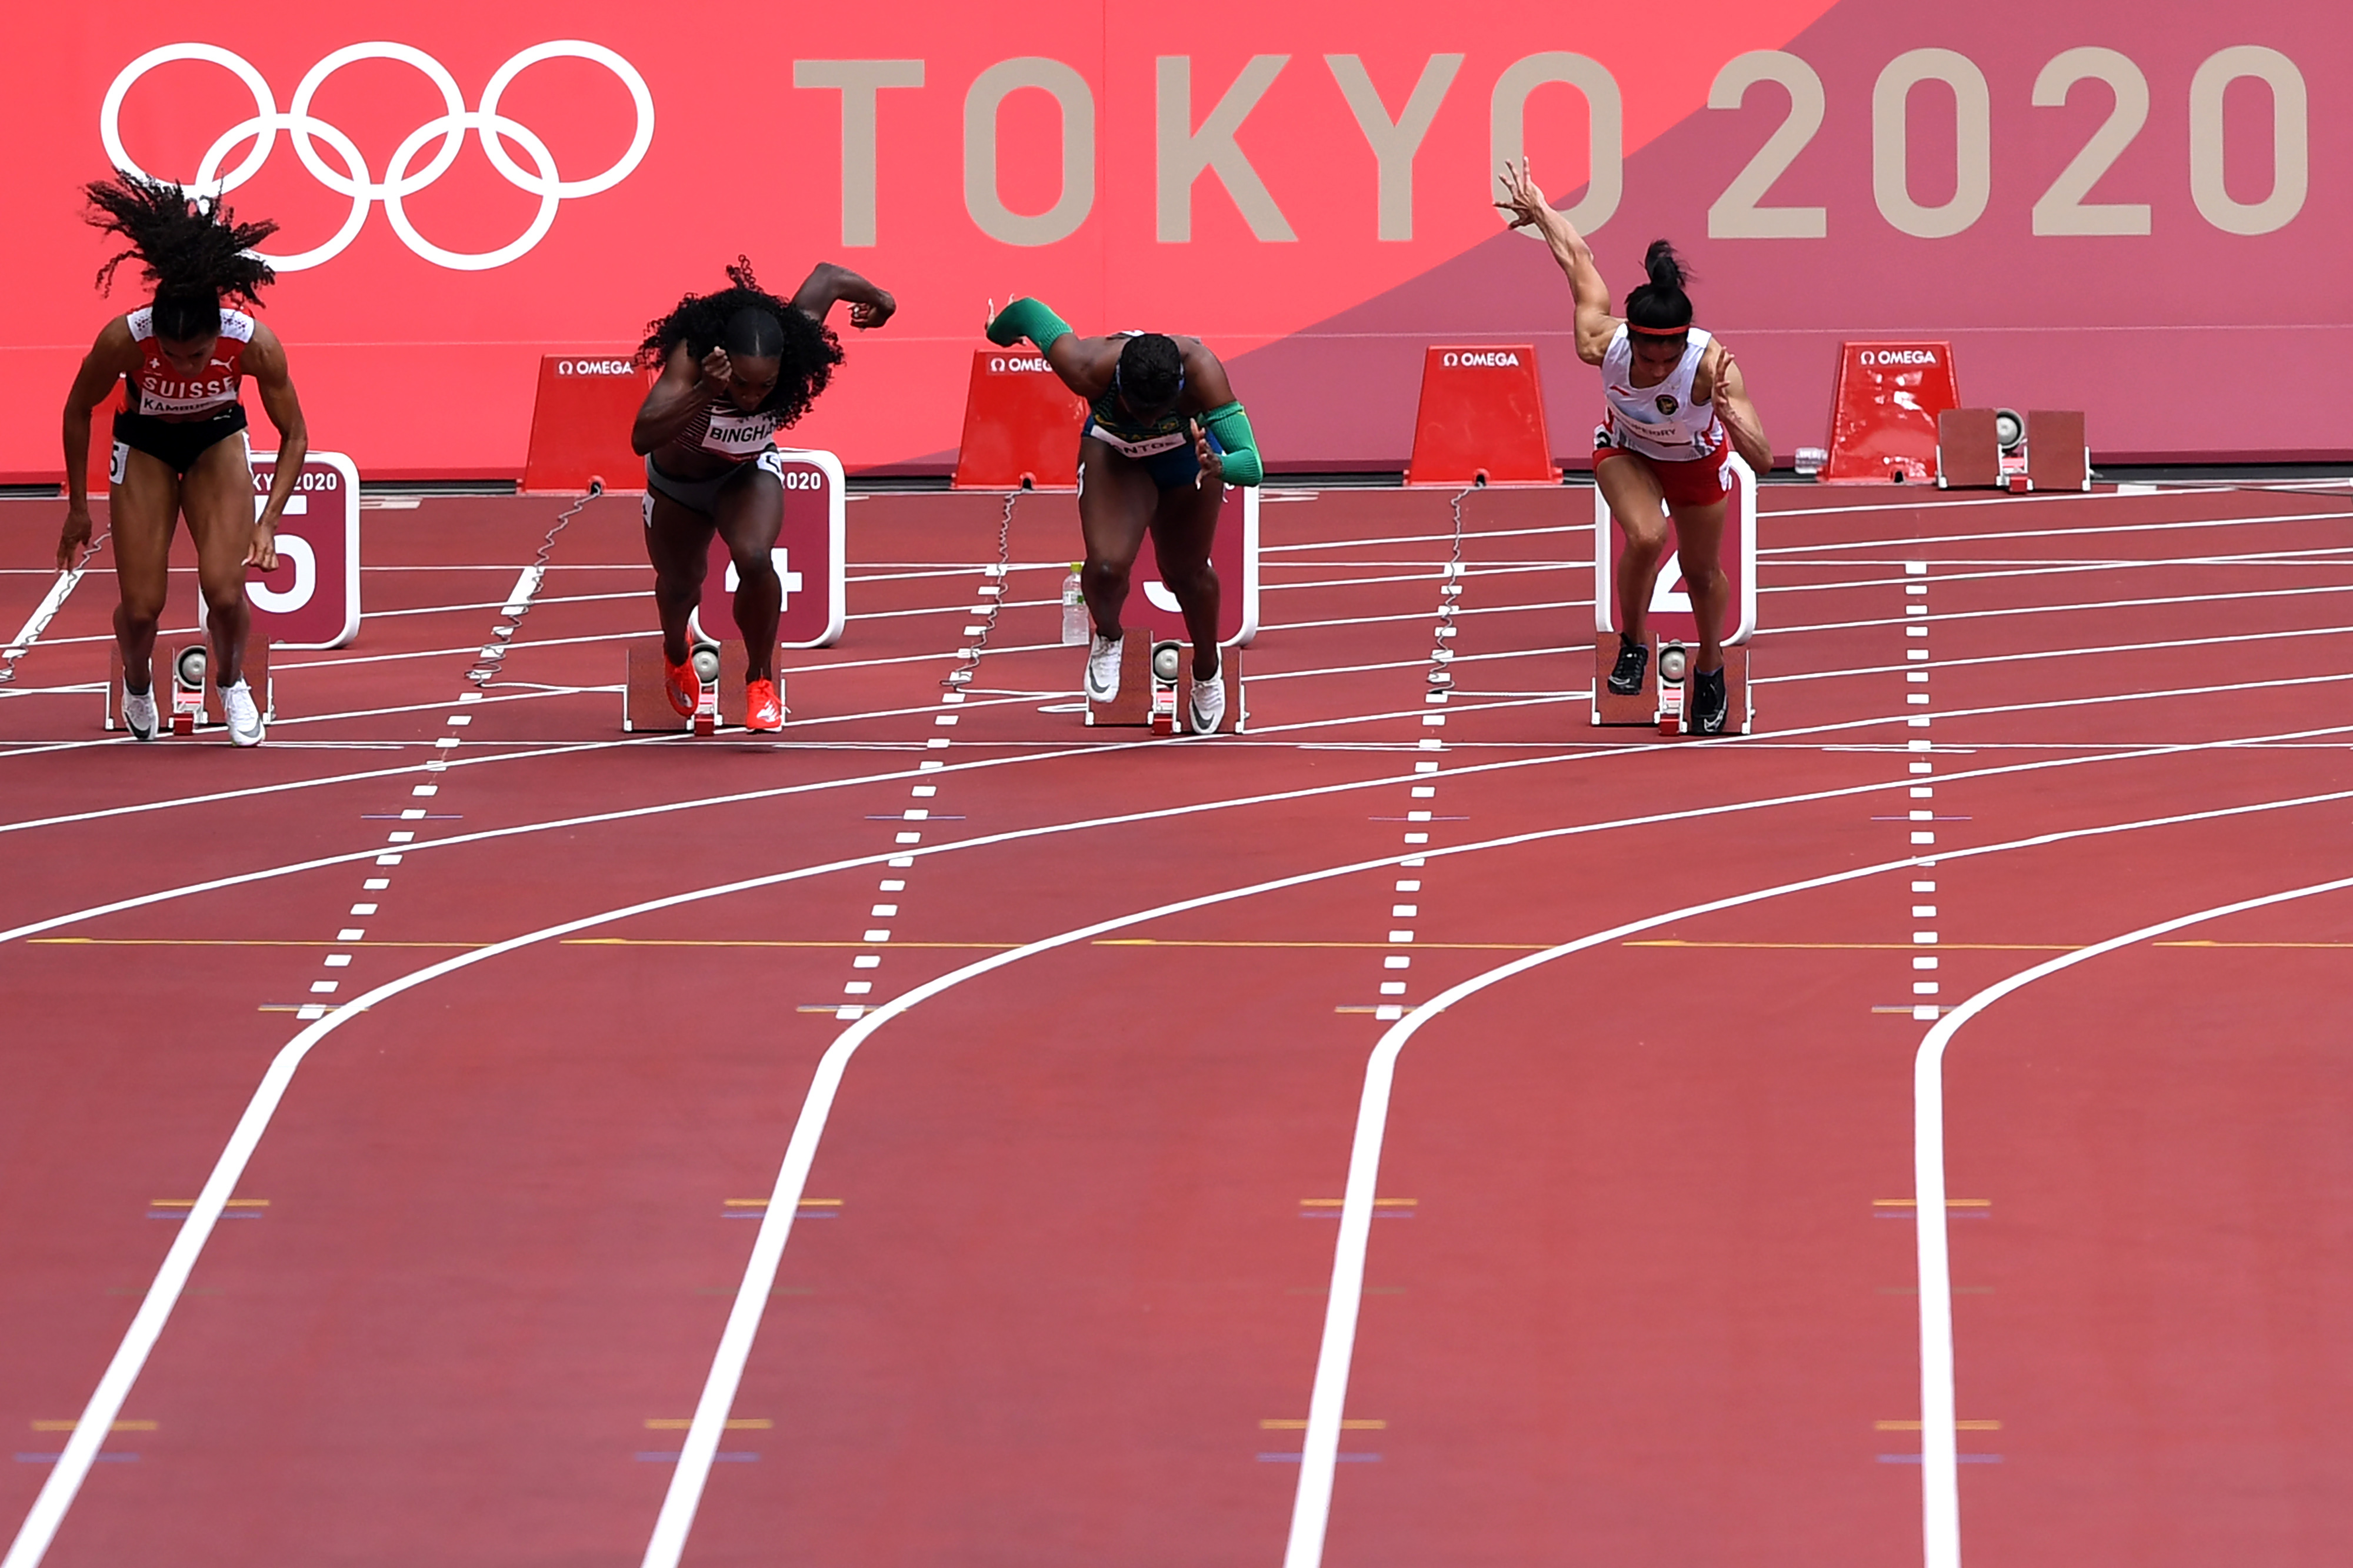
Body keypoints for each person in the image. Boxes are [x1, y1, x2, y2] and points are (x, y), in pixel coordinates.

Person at [1495, 160, 1771, 735]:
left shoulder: (1713, 369)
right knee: (1646, 536)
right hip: (1627, 451)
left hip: (1696, 462)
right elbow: (1577, 259)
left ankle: (1711, 667)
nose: (1658, 368)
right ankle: (1632, 643)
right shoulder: (1601, 341)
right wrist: (1541, 210)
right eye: (1648, 358)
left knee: (1701, 573)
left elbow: (1764, 460)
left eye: (1669, 360)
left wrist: (1727, 416)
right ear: (1630, 340)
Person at [57, 174, 309, 746]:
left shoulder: (254, 344)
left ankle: (232, 681)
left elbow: (295, 434)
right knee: (142, 608)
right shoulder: (124, 340)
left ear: (217, 334)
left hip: (216, 440)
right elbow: (77, 409)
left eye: (197, 354)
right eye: (171, 355)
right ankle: (138, 683)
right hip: (145, 443)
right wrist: (77, 508)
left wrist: (268, 523)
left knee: (225, 591)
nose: (184, 366)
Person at [631, 258, 894, 730]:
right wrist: (706, 391)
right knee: (681, 584)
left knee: (754, 557)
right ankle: (675, 652)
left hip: (745, 474)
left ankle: (759, 680)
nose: (752, 397)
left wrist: (883, 301)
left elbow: (828, 278)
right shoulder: (693, 358)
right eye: (741, 384)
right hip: (678, 487)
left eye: (766, 386)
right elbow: (642, 436)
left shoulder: (794, 344)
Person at [982, 299, 1263, 735]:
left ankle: (1207, 669)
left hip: (1189, 461)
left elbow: (1254, 465)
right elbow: (1028, 313)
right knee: (1106, 567)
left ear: (1179, 388)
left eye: (1158, 412)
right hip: (1115, 455)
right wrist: (998, 333)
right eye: (1137, 410)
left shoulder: (1203, 371)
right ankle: (1109, 635)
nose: (1148, 420)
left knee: (1185, 574)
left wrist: (1220, 465)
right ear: (1118, 385)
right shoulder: (1086, 366)